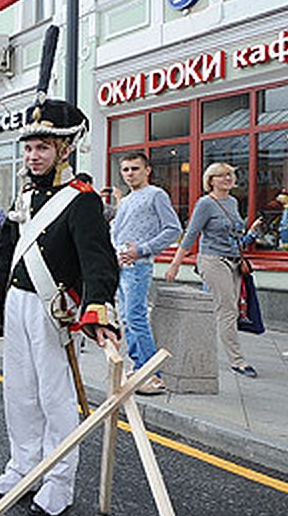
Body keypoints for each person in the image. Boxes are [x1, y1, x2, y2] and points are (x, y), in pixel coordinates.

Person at [0, 95, 120, 516]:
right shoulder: (25, 196)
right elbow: (5, 253)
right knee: (18, 392)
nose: (33, 156)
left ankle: (58, 481)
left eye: (43, 148)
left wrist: (99, 310)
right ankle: (22, 466)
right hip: (15, 305)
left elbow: (98, 260)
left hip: (54, 310)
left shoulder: (81, 199)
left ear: (64, 150)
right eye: (29, 148)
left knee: (55, 398)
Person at [164, 163, 264, 378]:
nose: (227, 178)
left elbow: (234, 238)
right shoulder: (205, 204)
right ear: (211, 180)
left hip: (235, 262)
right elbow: (191, 235)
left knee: (228, 310)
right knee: (227, 309)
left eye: (230, 174)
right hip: (212, 260)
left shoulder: (233, 202)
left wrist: (251, 233)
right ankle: (237, 361)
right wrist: (175, 264)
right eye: (221, 176)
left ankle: (189, 344)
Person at [109, 152, 182, 395]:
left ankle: (153, 375)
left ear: (147, 170)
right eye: (126, 169)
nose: (130, 173)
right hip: (121, 265)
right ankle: (139, 366)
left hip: (138, 266)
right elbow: (117, 233)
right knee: (127, 318)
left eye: (135, 168)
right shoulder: (127, 200)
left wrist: (142, 250)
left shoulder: (156, 194)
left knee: (136, 317)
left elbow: (173, 229)